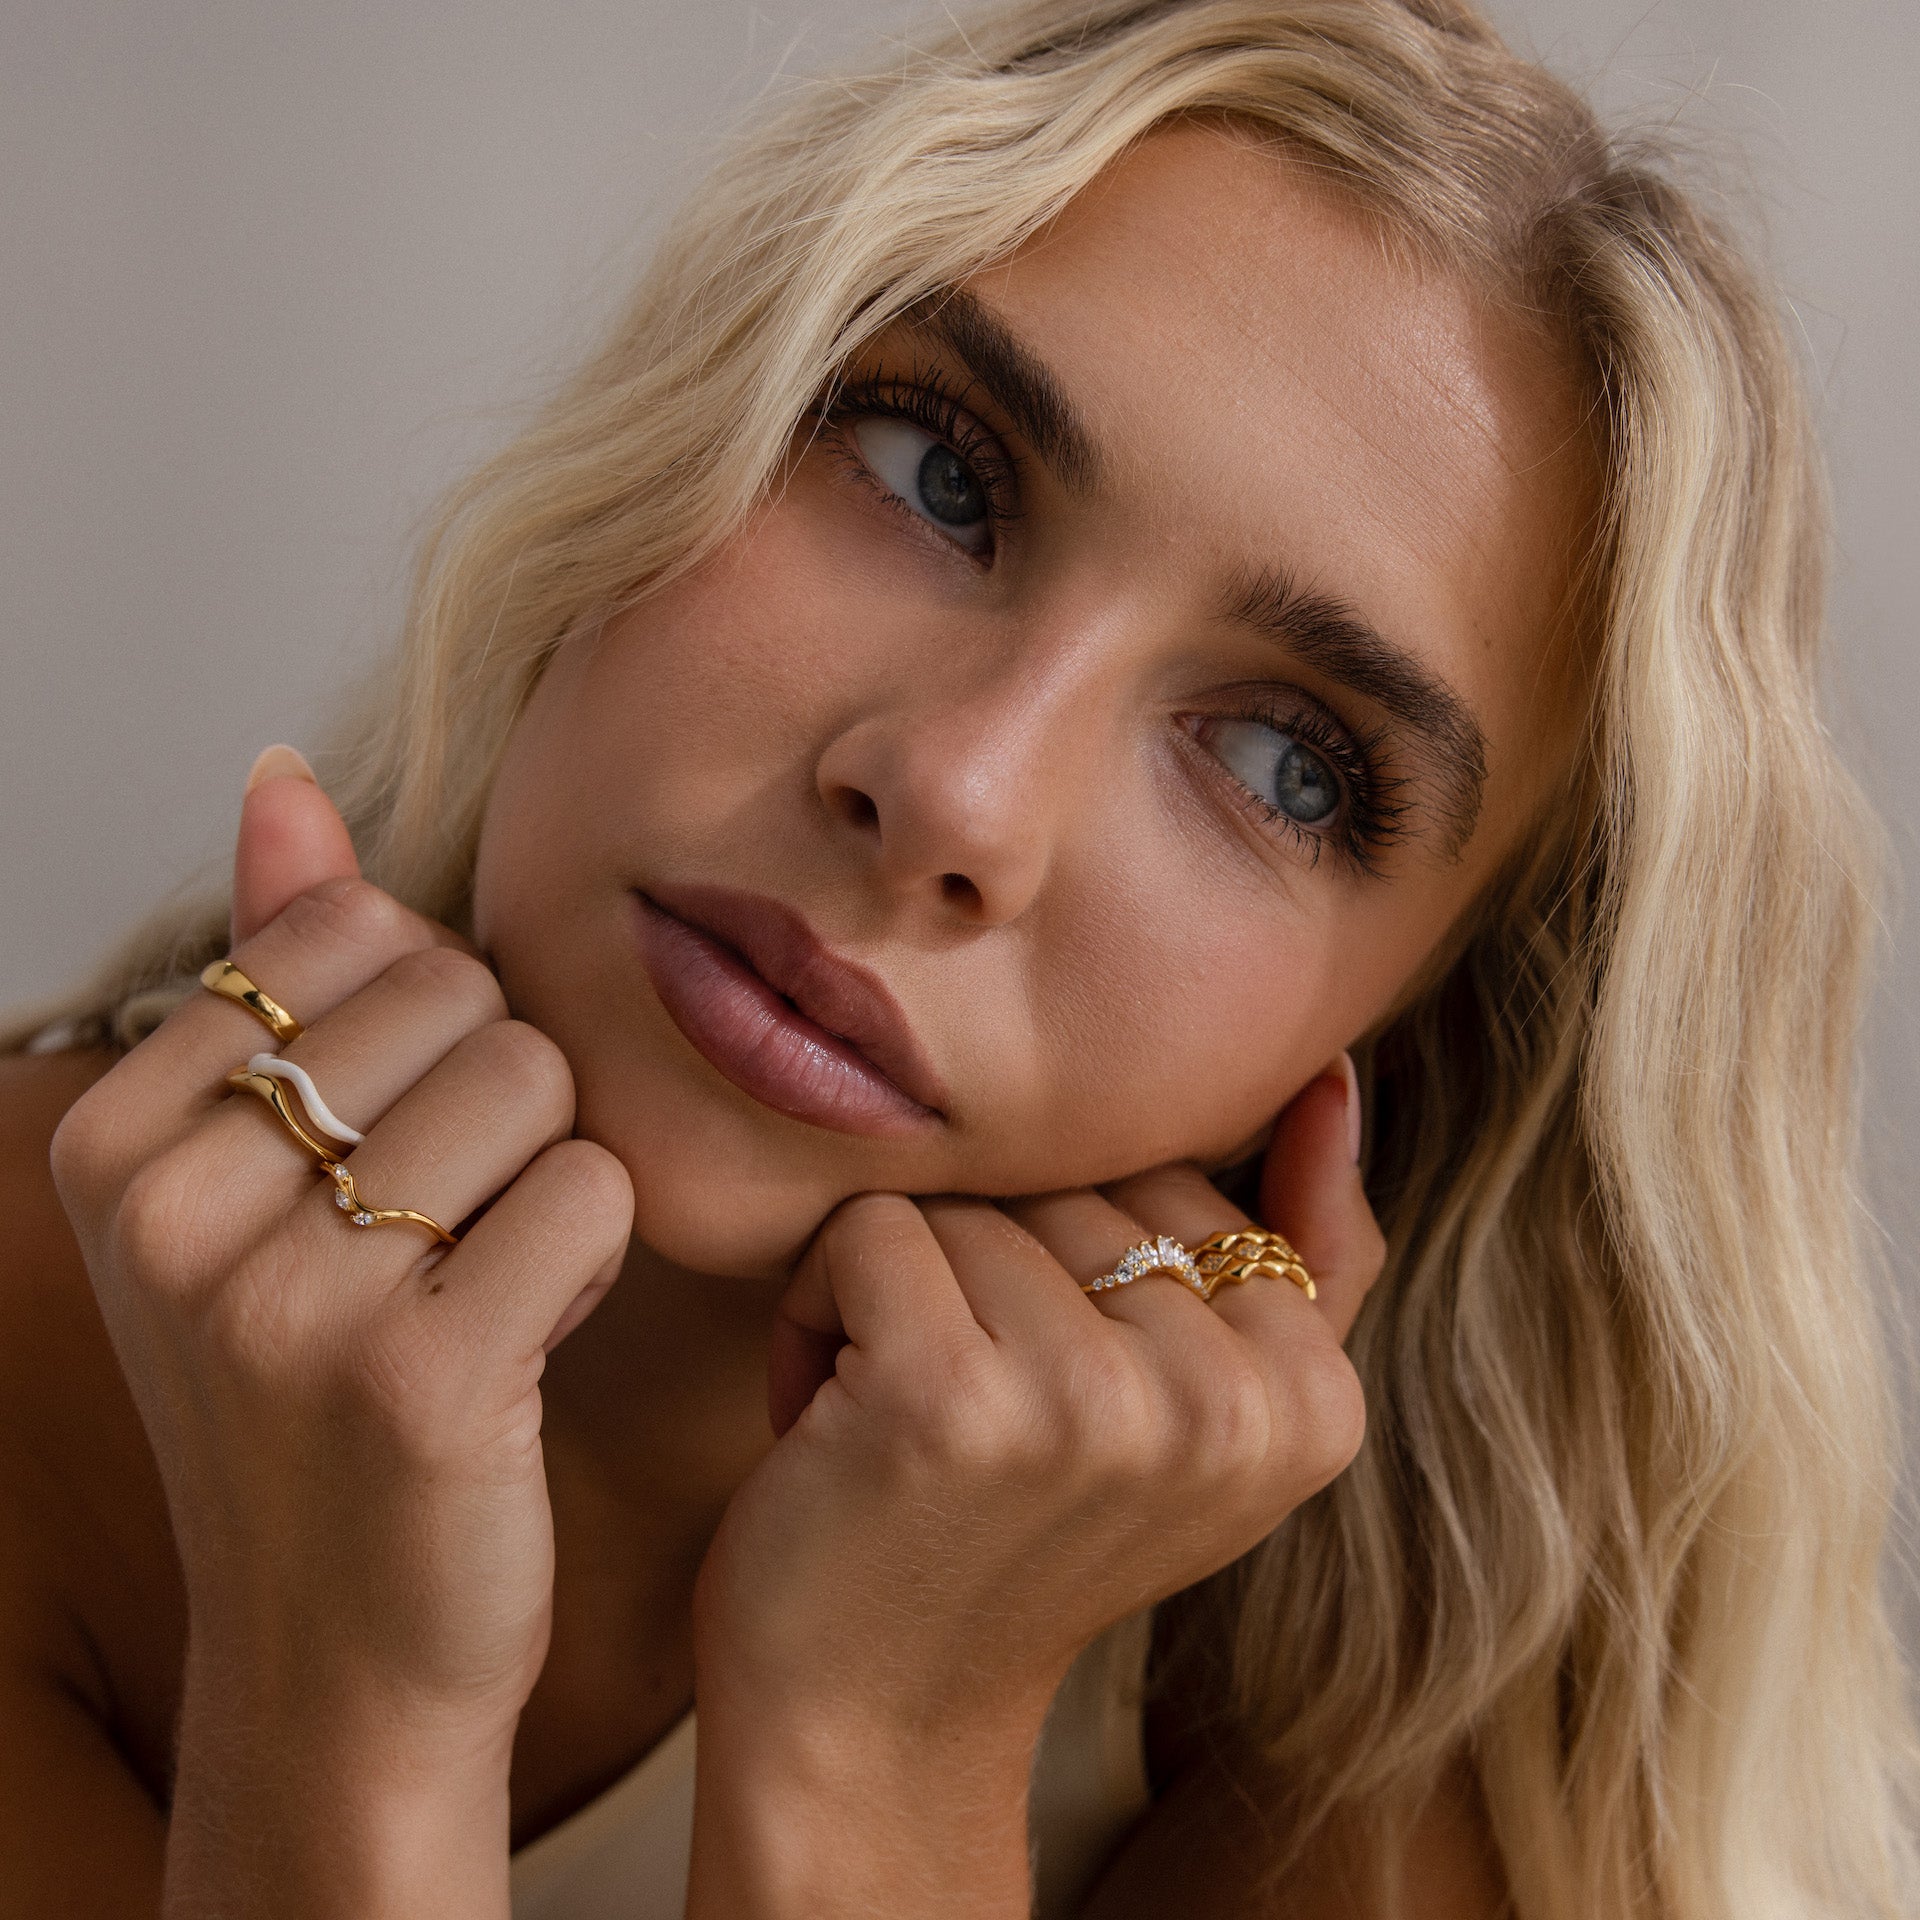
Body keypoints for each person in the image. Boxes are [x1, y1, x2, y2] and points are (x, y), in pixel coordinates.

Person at [2, 0, 1915, 1912]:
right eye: (936, 471)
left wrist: (877, 1761)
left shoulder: (1388, 1721)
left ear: (1416, 1040)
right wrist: (340, 1698)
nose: (956, 796)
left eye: (1283, 766)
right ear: (678, 433)